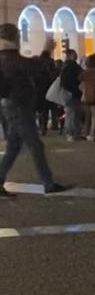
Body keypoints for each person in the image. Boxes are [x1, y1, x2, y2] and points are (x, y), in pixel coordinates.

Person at [0, 26, 69, 195]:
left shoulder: (5, 57)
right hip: (19, 106)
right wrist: (46, 51)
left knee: (13, 148)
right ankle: (48, 183)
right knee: (35, 145)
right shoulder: (10, 58)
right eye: (17, 35)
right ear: (13, 38)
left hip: (13, 105)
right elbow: (33, 67)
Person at [59, 49, 83, 141]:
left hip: (69, 93)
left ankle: (74, 132)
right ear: (70, 55)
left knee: (72, 113)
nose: (76, 55)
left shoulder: (64, 66)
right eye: (74, 54)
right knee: (72, 113)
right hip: (73, 93)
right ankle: (72, 132)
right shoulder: (72, 66)